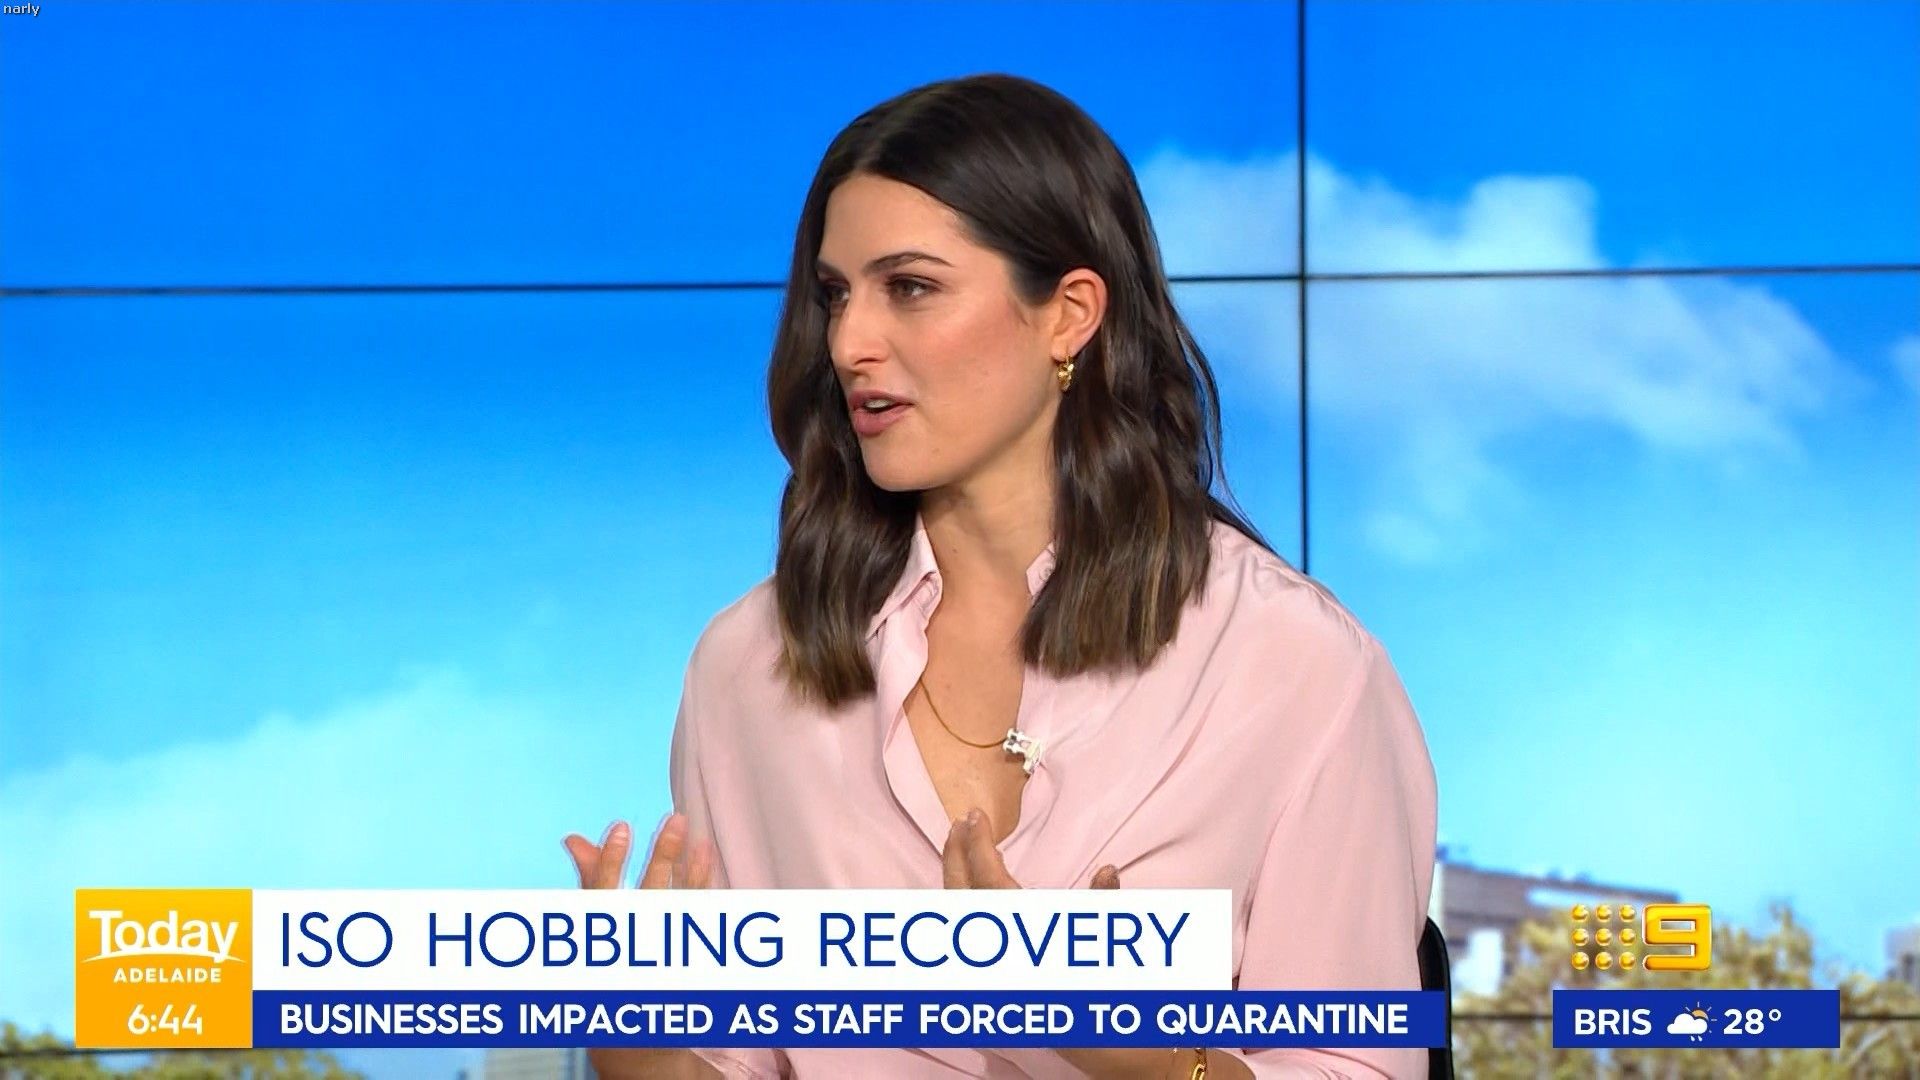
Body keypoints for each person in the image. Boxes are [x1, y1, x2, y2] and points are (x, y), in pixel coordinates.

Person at [564, 73, 1438, 1079]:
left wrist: (1153, 1063)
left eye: (910, 287)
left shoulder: (1293, 665)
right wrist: (640, 1047)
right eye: (835, 295)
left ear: (1069, 315)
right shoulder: (749, 666)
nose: (849, 343)